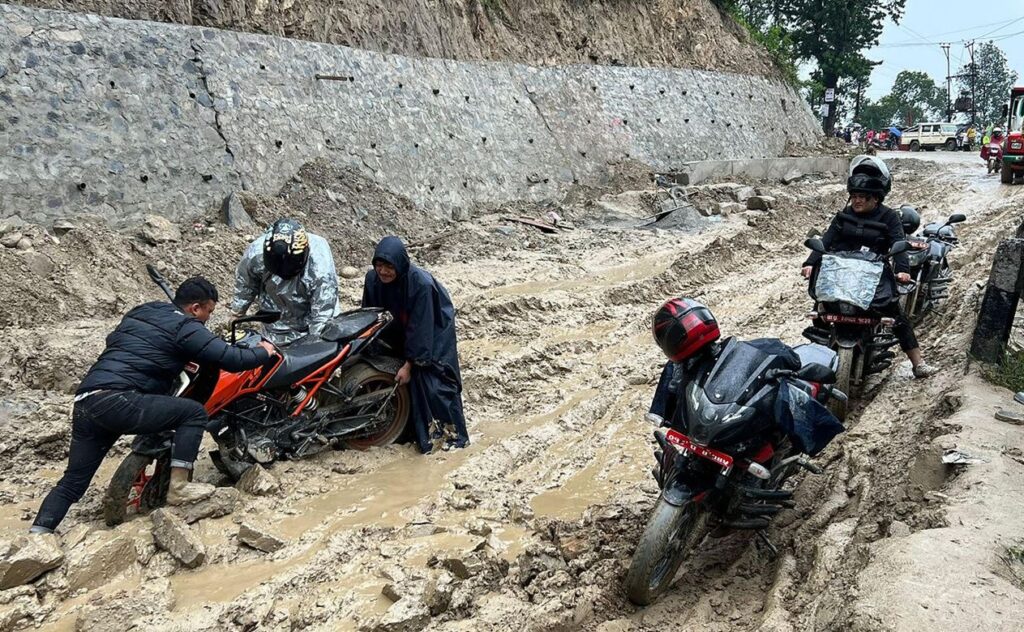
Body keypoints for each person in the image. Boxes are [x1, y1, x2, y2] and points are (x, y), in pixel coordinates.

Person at [30, 278, 278, 533]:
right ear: (195, 308)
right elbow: (231, 358)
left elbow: (122, 341)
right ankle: (179, 487)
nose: (207, 319)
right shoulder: (187, 327)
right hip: (121, 399)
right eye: (208, 312)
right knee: (192, 413)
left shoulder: (143, 311)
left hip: (87, 400)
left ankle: (38, 534)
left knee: (72, 482)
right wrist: (265, 351)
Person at [800, 155, 938, 378]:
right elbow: (825, 241)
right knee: (821, 308)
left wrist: (902, 270)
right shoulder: (843, 217)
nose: (857, 201)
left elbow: (898, 244)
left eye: (863, 197)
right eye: (854, 196)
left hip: (873, 276)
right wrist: (809, 263)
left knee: (897, 316)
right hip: (840, 274)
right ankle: (817, 351)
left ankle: (918, 363)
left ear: (876, 198)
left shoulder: (890, 217)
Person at [361, 236, 468, 453]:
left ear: (400, 264)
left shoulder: (421, 285)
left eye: (389, 266)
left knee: (432, 383)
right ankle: (403, 429)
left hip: (433, 329)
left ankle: (447, 438)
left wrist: (409, 365)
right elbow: (369, 315)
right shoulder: (373, 280)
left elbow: (421, 329)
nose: (383, 272)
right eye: (379, 265)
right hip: (398, 326)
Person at [231, 218, 339, 345]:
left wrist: (316, 344)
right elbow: (246, 283)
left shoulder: (320, 269)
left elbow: (323, 314)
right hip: (274, 316)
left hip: (309, 316)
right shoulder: (256, 254)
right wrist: (238, 312)